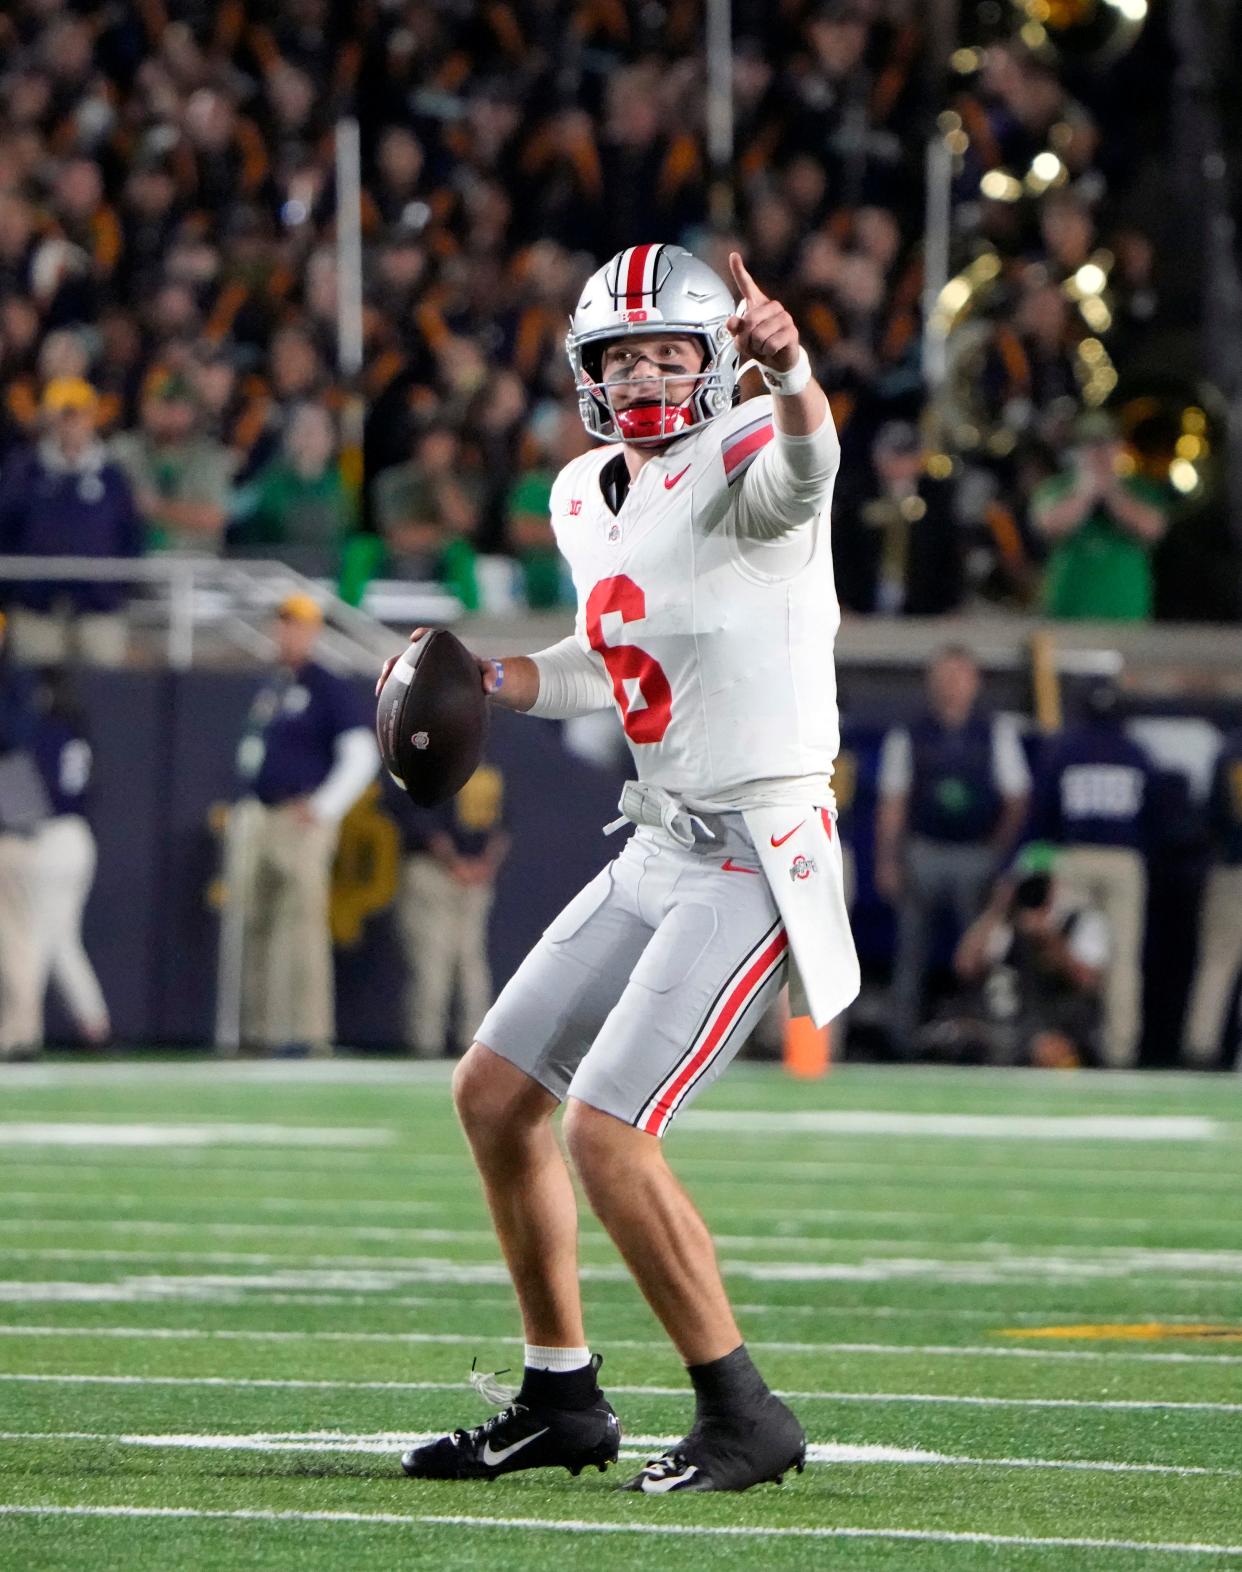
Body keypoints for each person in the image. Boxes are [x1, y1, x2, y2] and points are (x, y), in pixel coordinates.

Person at [381, 244, 856, 1493]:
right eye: (622, 354)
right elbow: (608, 661)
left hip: (755, 844)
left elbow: (811, 465)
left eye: (670, 351)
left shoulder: (752, 448)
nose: (645, 372)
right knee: (494, 1093)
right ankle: (561, 1398)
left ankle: (743, 1412)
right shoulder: (586, 494)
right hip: (658, 836)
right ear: (589, 372)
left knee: (609, 1134)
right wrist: (494, 679)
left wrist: (793, 367)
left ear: (714, 363)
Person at [232, 594, 378, 1057]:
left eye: (295, 626)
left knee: (300, 928)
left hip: (300, 820)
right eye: (281, 625)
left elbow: (362, 755)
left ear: (313, 631)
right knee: (255, 924)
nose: (286, 634)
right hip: (262, 815)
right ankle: (261, 1030)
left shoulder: (327, 685)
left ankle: (304, 1032)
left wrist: (324, 807)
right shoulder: (273, 684)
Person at [874, 645, 1031, 1052]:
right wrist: (888, 860)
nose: (952, 686)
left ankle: (986, 1040)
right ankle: (902, 1040)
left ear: (975, 682)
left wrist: (999, 853)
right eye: (945, 677)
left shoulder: (994, 730)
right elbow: (893, 801)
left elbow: (1017, 799)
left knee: (980, 953)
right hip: (925, 850)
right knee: (910, 952)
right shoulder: (910, 732)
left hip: (976, 854)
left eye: (959, 676)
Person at [1025, 681, 1155, 1066]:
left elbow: (1042, 813)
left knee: (1052, 945)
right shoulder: (1134, 753)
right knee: (1123, 961)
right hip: (1123, 860)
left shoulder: (1065, 748)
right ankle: (1120, 1050)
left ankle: (1048, 1040)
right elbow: (1157, 816)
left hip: (1074, 856)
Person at [0, 378, 142, 667]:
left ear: (91, 417)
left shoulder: (112, 476)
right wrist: (15, 589)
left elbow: (131, 534)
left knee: (104, 691)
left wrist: (117, 590)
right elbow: (6, 529)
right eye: (64, 415)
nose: (70, 424)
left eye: (77, 415)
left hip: (98, 607)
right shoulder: (24, 472)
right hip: (37, 608)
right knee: (36, 694)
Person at [950, 845, 1108, 1068]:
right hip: (1012, 1027)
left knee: (1054, 1050)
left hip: (1064, 1030)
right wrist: (996, 909)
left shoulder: (1082, 919)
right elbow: (965, 967)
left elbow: (1088, 981)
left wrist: (1050, 938)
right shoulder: (1006, 922)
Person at [393, 763, 510, 1058]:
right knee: (467, 961)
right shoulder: (489, 763)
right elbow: (503, 828)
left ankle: (427, 1041)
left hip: (438, 871)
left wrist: (458, 863)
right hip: (469, 873)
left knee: (437, 960)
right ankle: (473, 1040)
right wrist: (482, 865)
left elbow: (422, 821)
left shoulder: (428, 759)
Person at [29, 666, 109, 1046]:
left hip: (51, 835)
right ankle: (93, 1022)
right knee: (61, 938)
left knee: (35, 938)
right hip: (79, 836)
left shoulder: (47, 732)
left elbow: (38, 788)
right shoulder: (78, 729)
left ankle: (21, 1028)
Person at [1030, 410, 1168, 621]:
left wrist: (1112, 492)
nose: (1100, 453)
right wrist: (1086, 491)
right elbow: (1048, 526)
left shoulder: (1140, 489)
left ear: (1119, 447)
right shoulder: (1055, 488)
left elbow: (1152, 529)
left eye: (1106, 444)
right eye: (1091, 445)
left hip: (1126, 612)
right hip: (1067, 612)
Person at [110, 370, 234, 554]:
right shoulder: (122, 451)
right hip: (134, 564)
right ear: (146, 407)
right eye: (162, 405)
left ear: (192, 411)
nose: (170, 415)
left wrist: (157, 508)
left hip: (194, 565)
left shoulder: (209, 457)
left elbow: (215, 518)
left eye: (179, 407)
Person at [0, 612, 48, 1059]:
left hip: (10, 830)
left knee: (14, 933)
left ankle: (21, 1031)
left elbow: (14, 735)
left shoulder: (15, 685)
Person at [1182, 725, 1242, 1065]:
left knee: (1217, 965)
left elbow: (1211, 815)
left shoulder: (1230, 750)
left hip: (1233, 867)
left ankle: (1201, 1048)